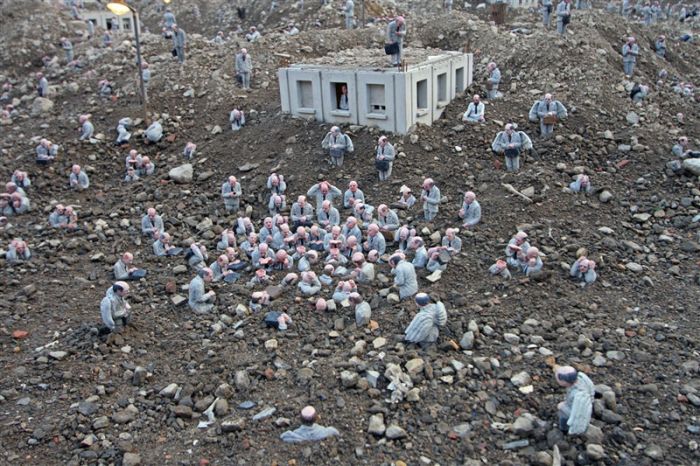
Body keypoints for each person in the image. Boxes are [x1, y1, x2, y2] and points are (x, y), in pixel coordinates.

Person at [555, 366, 594, 435]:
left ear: (564, 381)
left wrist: (562, 407)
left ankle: (564, 430)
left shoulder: (578, 395)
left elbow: (577, 414)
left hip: (574, 411)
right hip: (572, 403)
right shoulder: (581, 377)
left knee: (563, 415)